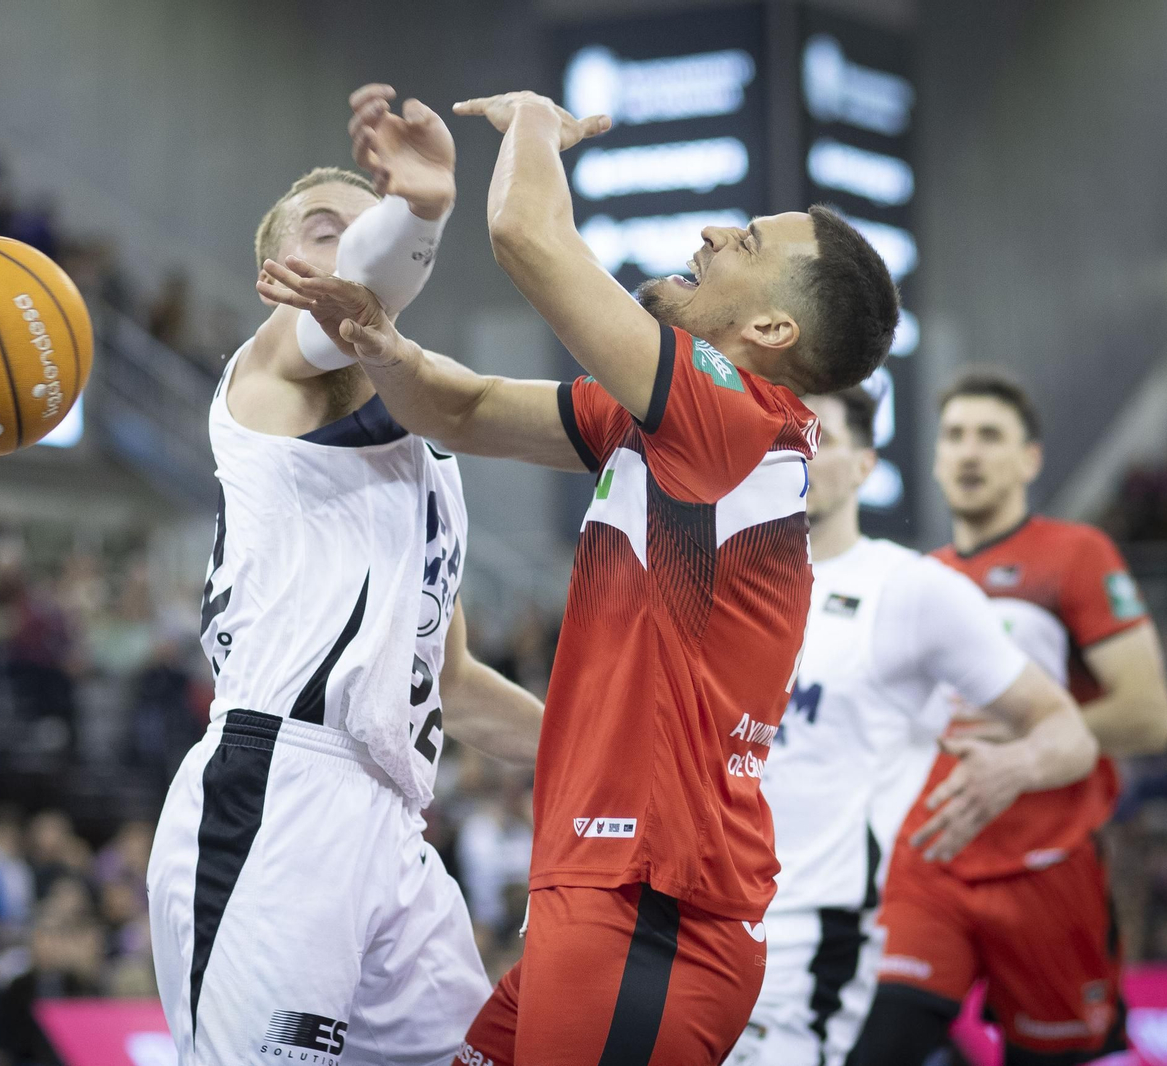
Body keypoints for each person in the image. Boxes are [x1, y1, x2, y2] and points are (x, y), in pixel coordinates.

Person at [260, 87, 899, 1064]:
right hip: (607, 901)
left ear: (770, 332)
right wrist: (381, 348)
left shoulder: (728, 418)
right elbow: (464, 410)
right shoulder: (670, 427)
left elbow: (527, 233)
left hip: (651, 916)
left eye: (752, 242)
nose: (718, 232)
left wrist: (533, 126)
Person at [146, 85, 545, 1065]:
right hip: (279, 790)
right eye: (323, 231)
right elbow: (361, 298)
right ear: (274, 272)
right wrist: (418, 210)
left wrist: (610, 757)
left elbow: (447, 684)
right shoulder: (269, 373)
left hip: (394, 821)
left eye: (362, 230)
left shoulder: (432, 463)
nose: (348, 249)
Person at [724, 388, 1097, 1066]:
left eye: (821, 437)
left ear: (866, 465)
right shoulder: (722, 584)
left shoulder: (911, 589)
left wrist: (1013, 768)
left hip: (818, 936)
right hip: (702, 922)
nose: (796, 452)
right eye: (782, 434)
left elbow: (1066, 730)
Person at [853, 371, 1167, 1065]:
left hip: (1047, 866)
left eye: (990, 437)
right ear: (935, 459)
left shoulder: (1074, 555)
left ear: (1029, 459)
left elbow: (1150, 717)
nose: (969, 453)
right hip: (931, 860)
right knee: (876, 1045)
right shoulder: (915, 580)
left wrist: (1036, 739)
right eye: (956, 437)